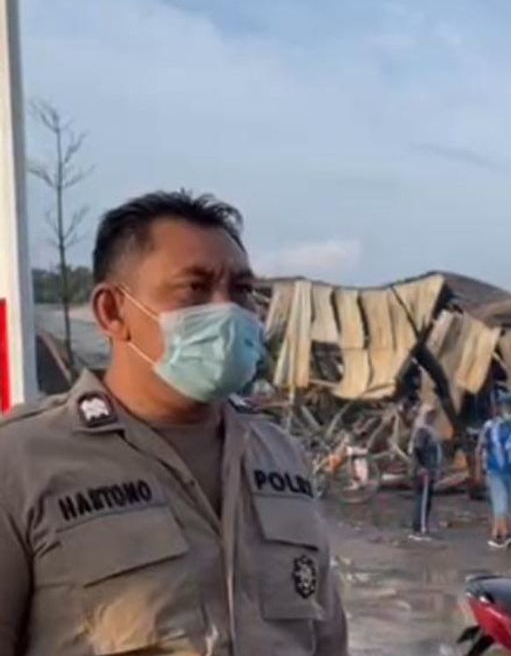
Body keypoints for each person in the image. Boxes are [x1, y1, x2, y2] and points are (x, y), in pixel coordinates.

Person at [0, 190, 348, 655]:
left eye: (242, 290)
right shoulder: (22, 462)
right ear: (112, 312)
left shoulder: (280, 454)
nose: (228, 311)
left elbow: (325, 639)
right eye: (195, 288)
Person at [477, 391, 511, 549]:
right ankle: (503, 536)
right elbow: (480, 448)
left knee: (509, 505)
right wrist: (479, 471)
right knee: (500, 504)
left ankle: (499, 533)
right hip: (495, 470)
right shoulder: (490, 427)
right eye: (507, 406)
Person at [408, 402, 443, 542]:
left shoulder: (427, 430)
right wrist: (422, 467)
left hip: (429, 470)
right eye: (429, 415)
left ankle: (422, 527)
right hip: (423, 472)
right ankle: (419, 530)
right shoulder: (422, 431)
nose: (432, 417)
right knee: (422, 501)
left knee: (425, 500)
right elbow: (417, 451)